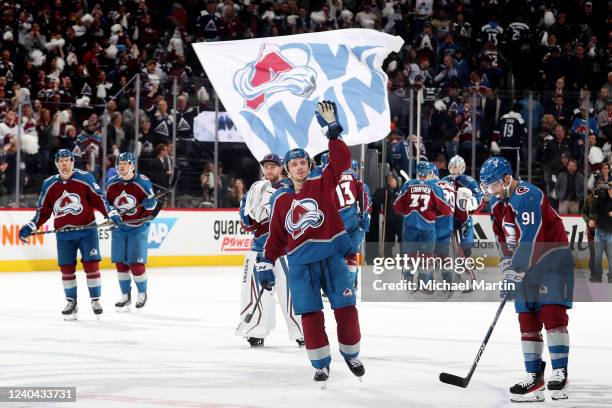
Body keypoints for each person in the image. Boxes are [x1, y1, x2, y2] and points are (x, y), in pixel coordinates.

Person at [258, 101, 363, 385]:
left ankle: (351, 353)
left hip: (331, 256)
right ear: (287, 170)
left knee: (346, 307)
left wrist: (332, 133)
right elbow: (277, 235)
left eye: (303, 162)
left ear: (310, 165)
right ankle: (320, 364)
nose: (299, 167)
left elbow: (341, 162)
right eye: (294, 164)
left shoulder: (323, 182)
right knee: (310, 315)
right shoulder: (280, 199)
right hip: (301, 264)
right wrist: (265, 261)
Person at [480, 156, 573, 402]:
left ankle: (560, 373)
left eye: (493, 185)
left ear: (507, 179)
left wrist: (516, 269)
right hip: (525, 265)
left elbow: (531, 237)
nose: (490, 190)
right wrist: (506, 268)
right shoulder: (495, 205)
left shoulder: (527, 195)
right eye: (487, 186)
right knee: (527, 318)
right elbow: (502, 240)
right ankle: (535, 377)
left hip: (552, 259)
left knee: (552, 314)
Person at [18, 149, 122, 320]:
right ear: (56, 164)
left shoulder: (85, 178)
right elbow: (43, 211)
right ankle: (71, 302)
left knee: (91, 266)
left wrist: (110, 213)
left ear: (72, 162)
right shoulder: (49, 184)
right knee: (66, 269)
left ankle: (95, 300)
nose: (64, 164)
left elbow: (99, 199)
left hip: (87, 232)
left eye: (67, 160)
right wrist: (31, 225)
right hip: (64, 235)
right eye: (61, 161)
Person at [237, 153, 304, 348]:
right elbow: (246, 222)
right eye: (266, 167)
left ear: (281, 168)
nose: (268, 170)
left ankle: (301, 330)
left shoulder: (290, 189)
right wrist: (249, 212)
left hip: (284, 250)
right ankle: (255, 330)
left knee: (291, 292)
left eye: (272, 166)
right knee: (255, 291)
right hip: (258, 248)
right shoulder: (254, 190)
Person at [106, 152, 158, 311]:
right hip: (119, 228)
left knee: (136, 264)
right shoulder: (112, 183)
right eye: (119, 163)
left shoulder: (143, 182)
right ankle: (125, 295)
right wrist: (112, 212)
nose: (121, 166)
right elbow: (106, 202)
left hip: (137, 227)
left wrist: (150, 204)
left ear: (132, 166)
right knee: (120, 264)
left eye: (125, 163)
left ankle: (142, 293)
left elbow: (152, 204)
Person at [393, 161, 452, 292]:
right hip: (427, 227)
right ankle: (425, 285)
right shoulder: (434, 187)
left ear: (417, 172)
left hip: (409, 226)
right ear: (430, 173)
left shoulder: (408, 185)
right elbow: (446, 210)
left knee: (409, 256)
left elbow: (396, 206)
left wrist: (406, 210)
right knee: (426, 257)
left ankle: (407, 283)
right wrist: (435, 211)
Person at [320, 154, 371, 288]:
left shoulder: (323, 177)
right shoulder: (352, 175)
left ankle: (331, 286)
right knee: (352, 255)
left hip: (335, 222)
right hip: (354, 219)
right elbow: (364, 195)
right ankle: (350, 284)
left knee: (332, 256)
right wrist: (365, 216)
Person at [442, 155, 483, 258]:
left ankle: (467, 256)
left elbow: (478, 196)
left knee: (467, 231)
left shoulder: (468, 180)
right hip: (448, 215)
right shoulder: (444, 180)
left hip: (462, 215)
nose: (454, 169)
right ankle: (441, 259)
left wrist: (472, 203)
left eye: (457, 166)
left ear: (462, 167)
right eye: (452, 166)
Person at [589, 181, 612, 283]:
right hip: (599, 231)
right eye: (609, 188)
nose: (610, 190)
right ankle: (598, 276)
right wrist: (595, 197)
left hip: (610, 233)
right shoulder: (602, 199)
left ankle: (611, 276)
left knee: (611, 257)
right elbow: (593, 210)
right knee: (597, 257)